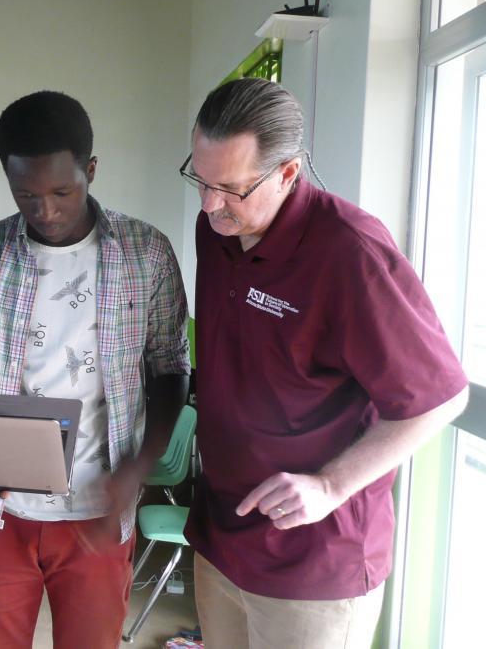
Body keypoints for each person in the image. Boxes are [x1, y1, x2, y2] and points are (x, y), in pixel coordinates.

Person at [182, 78, 469, 648]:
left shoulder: (351, 252)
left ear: (288, 173)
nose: (210, 204)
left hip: (315, 561)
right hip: (224, 538)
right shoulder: (216, 230)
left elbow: (441, 397)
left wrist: (330, 486)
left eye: (231, 188)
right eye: (200, 179)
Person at [0, 91, 190, 647]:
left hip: (100, 507)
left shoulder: (146, 252)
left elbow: (170, 371)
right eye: (25, 195)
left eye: (61, 191)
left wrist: (137, 469)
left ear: (91, 170)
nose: (45, 211)